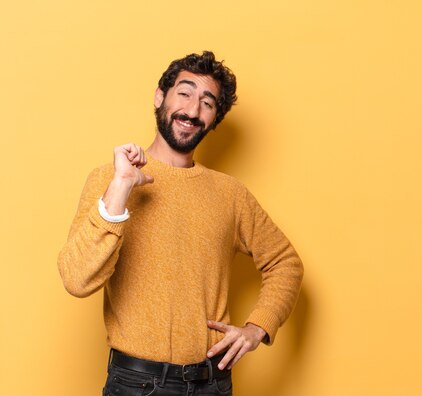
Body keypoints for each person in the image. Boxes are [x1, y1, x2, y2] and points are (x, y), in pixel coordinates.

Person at [57, 51, 304, 396]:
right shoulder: (109, 179)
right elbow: (76, 279)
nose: (192, 110)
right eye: (184, 93)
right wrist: (121, 188)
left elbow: (285, 262)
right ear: (160, 96)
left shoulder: (230, 194)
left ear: (215, 118)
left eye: (207, 102)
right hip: (134, 384)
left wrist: (256, 328)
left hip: (211, 384)